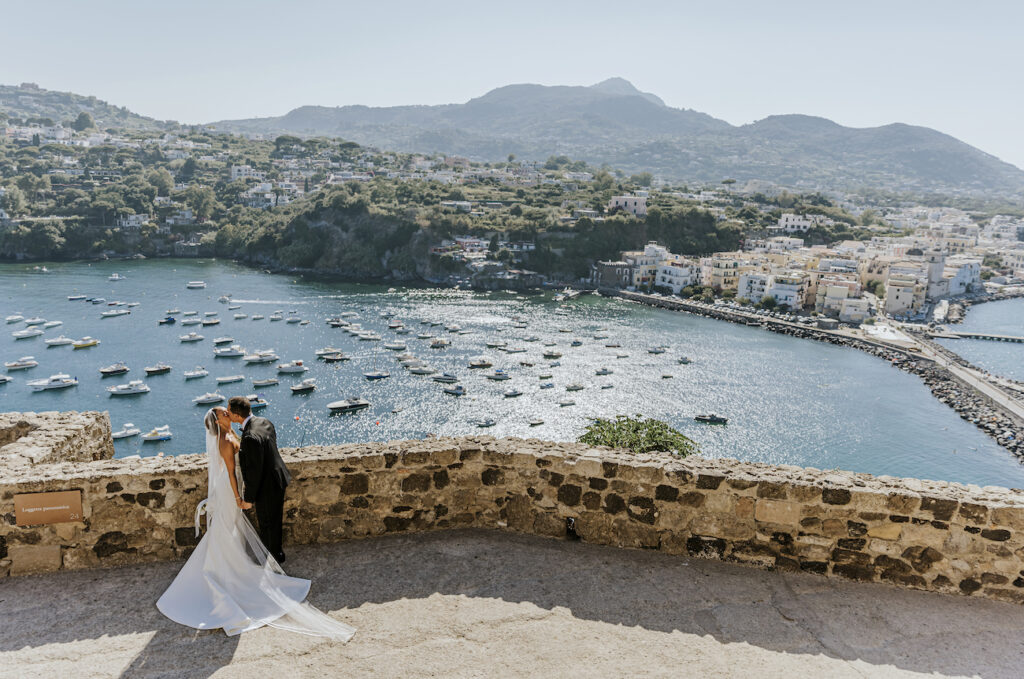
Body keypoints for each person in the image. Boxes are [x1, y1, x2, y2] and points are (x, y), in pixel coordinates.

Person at [156, 407, 354, 640]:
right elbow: (230, 472)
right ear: (218, 421)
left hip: (237, 486)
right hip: (230, 490)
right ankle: (220, 571)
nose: (227, 412)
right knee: (225, 528)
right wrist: (238, 497)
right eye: (222, 413)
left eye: (227, 410)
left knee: (230, 531)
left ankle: (227, 565)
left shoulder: (232, 434)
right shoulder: (224, 439)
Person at [225, 396, 291, 563]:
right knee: (274, 521)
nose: (227, 413)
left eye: (229, 411)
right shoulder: (264, 421)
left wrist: (248, 499)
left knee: (268, 524)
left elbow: (254, 472)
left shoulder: (249, 437)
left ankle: (274, 561)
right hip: (279, 477)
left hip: (267, 486)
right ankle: (277, 555)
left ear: (237, 415)